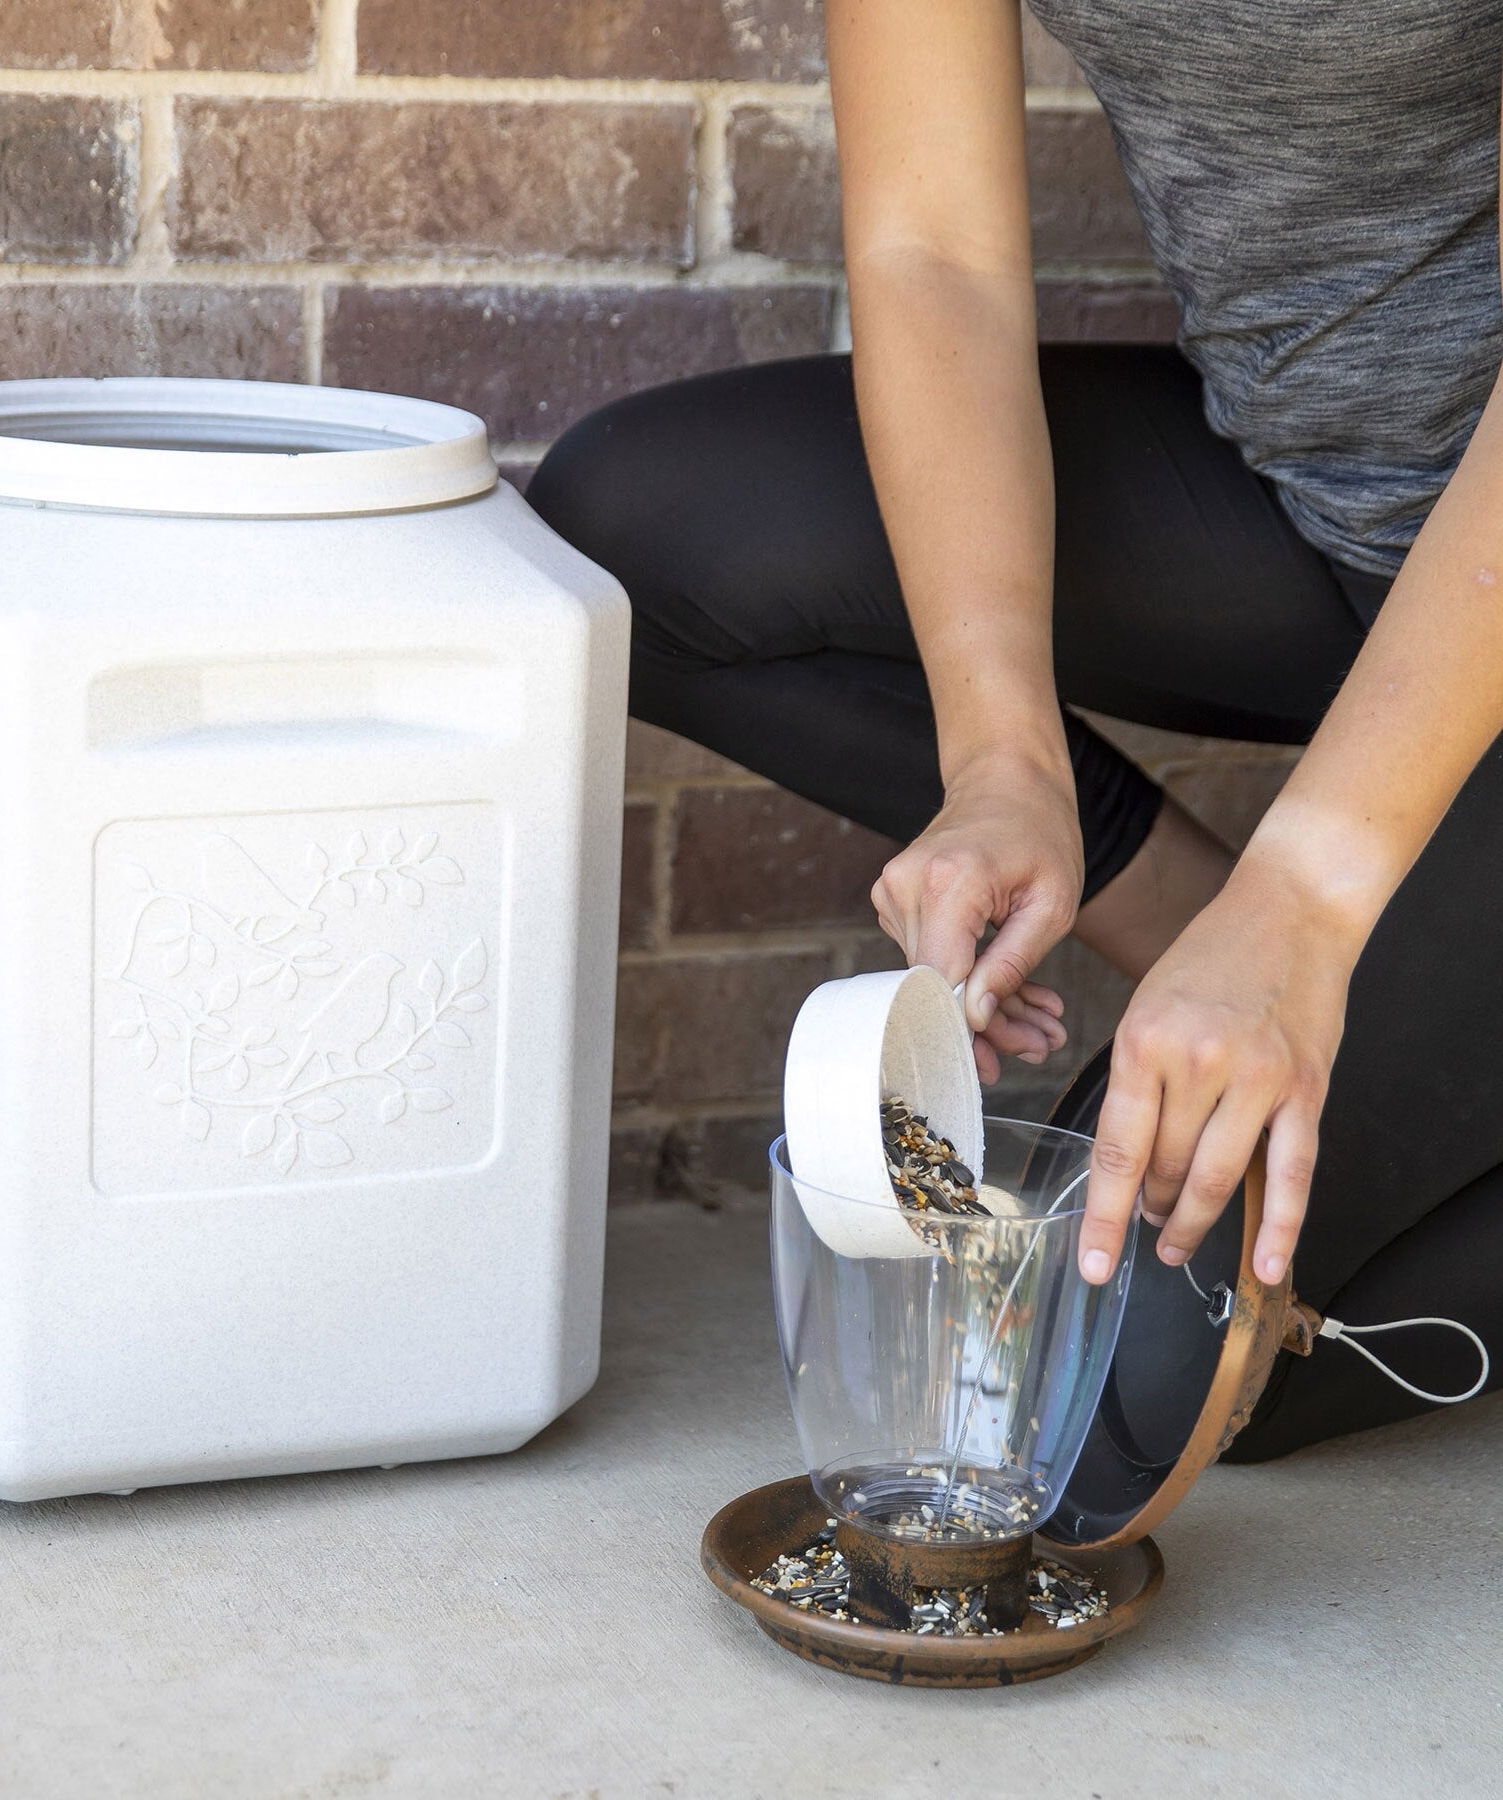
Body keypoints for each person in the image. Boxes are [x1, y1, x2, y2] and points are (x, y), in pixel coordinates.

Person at [528, 0, 1503, 1458]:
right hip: (1329, 515)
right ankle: (1267, 958)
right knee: (641, 538)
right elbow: (937, 254)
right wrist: (1002, 760)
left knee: (1116, 1372)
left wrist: (1306, 897)